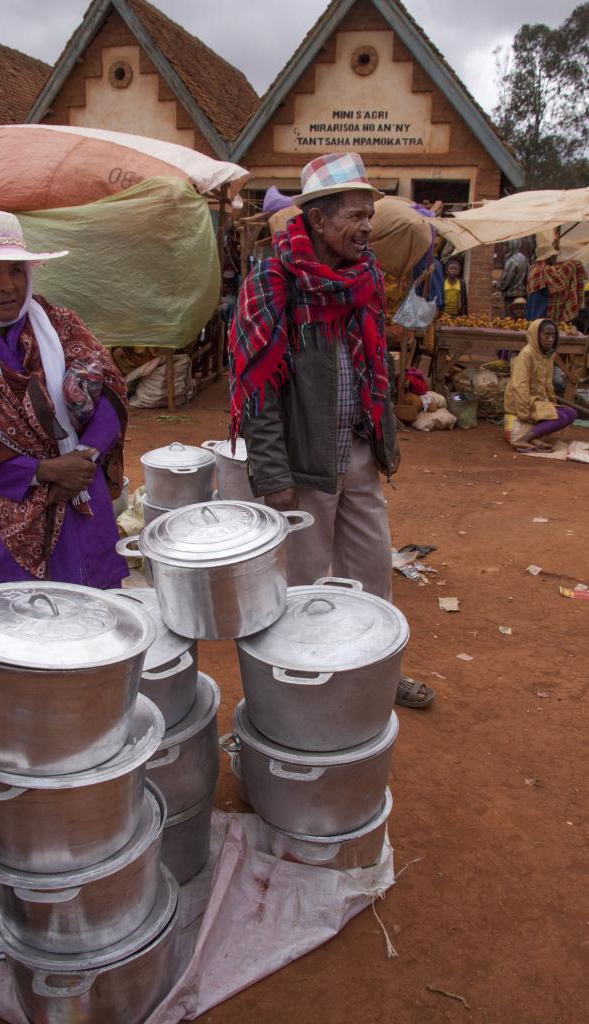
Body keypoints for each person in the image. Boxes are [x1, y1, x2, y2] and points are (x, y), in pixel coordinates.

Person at [229, 153, 435, 710]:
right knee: (295, 589)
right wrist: (272, 476)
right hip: (302, 468)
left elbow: (370, 369)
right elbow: (257, 392)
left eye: (370, 215)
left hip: (360, 455)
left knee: (372, 576)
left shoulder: (363, 278)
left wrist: (384, 439)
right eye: (355, 215)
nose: (367, 227)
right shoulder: (272, 282)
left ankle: (376, 676)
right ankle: (290, 689)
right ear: (317, 220)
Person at [0, 211, 129, 588]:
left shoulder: (61, 324)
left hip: (82, 487)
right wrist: (45, 471)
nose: (7, 285)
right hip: (14, 506)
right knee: (29, 623)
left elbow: (110, 388)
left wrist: (84, 457)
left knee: (99, 617)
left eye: (16, 270)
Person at [503, 319, 577, 451]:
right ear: (536, 335)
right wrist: (524, 412)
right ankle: (522, 440)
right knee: (560, 417)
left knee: (571, 413)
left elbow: (548, 384)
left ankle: (536, 438)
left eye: (553, 335)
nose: (550, 339)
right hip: (521, 401)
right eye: (546, 335)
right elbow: (520, 386)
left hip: (537, 400)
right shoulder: (526, 354)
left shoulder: (548, 355)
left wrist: (551, 404)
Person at [526, 242, 586, 323]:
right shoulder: (547, 270)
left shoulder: (533, 269)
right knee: (542, 327)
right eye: (553, 256)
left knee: (535, 326)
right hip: (543, 310)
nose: (555, 258)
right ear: (548, 257)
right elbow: (565, 273)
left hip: (533, 309)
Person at [494, 240, 528, 317]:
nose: (503, 248)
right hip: (523, 296)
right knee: (521, 320)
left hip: (511, 297)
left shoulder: (511, 261)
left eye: (505, 245)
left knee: (510, 320)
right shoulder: (524, 258)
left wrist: (499, 286)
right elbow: (527, 277)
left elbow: (506, 281)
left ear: (511, 246)